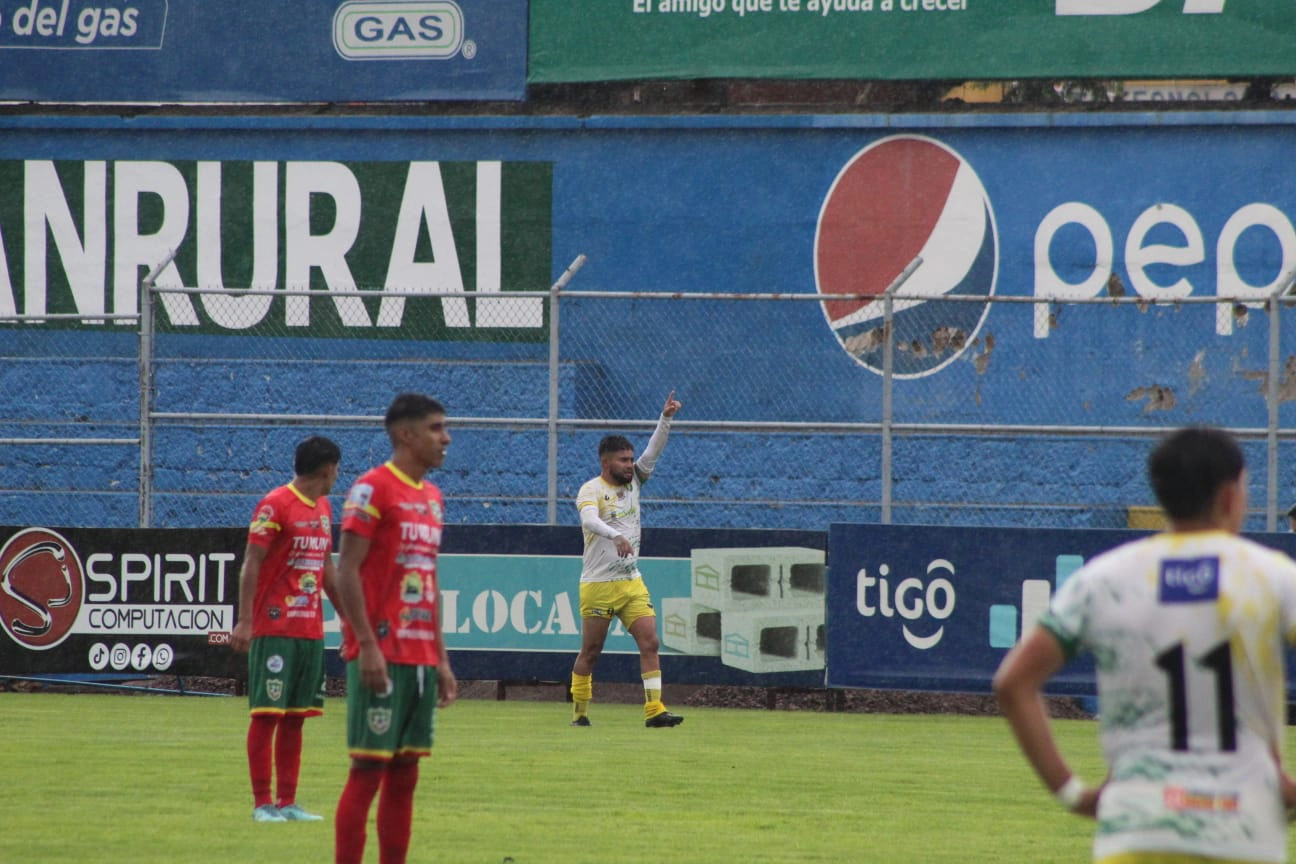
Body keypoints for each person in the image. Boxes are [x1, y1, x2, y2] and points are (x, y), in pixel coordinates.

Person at [993, 425, 1296, 864]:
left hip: (1137, 827)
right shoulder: (1271, 577)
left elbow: (1013, 683)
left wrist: (1072, 792)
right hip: (1242, 830)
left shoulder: (1105, 580)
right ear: (1230, 496)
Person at [331, 393, 458, 864]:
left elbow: (428, 579)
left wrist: (442, 659)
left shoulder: (433, 497)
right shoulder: (372, 488)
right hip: (382, 652)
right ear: (406, 435)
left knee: (406, 775)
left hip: (421, 657)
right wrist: (365, 644)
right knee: (367, 769)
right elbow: (347, 569)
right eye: (436, 428)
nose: (446, 438)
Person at [231, 434, 342, 823]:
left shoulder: (324, 508)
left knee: (296, 716)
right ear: (327, 469)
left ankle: (288, 803)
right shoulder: (275, 505)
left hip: (309, 631)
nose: (337, 478)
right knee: (266, 714)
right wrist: (246, 620)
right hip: (274, 627)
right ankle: (262, 803)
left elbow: (327, 570)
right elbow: (252, 562)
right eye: (336, 471)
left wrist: (349, 620)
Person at [570, 390, 685, 729]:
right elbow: (589, 520)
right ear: (606, 463)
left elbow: (654, 451)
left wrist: (666, 418)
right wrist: (615, 535)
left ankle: (655, 710)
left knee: (650, 641)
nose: (629, 464)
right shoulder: (590, 490)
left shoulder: (635, 480)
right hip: (598, 586)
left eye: (630, 458)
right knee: (590, 652)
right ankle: (579, 714)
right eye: (623, 460)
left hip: (631, 581)